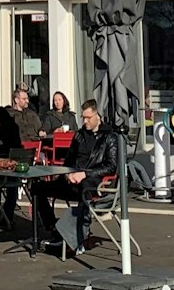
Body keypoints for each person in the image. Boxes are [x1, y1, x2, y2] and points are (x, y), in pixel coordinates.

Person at [34, 100, 119, 255]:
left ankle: (77, 237)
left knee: (84, 189)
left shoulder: (110, 137)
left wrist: (85, 174)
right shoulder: (79, 135)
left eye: (88, 117)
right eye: (83, 117)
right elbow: (68, 161)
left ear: (97, 116)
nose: (85, 121)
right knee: (37, 187)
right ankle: (54, 228)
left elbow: (112, 166)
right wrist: (68, 174)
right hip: (72, 180)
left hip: (94, 183)